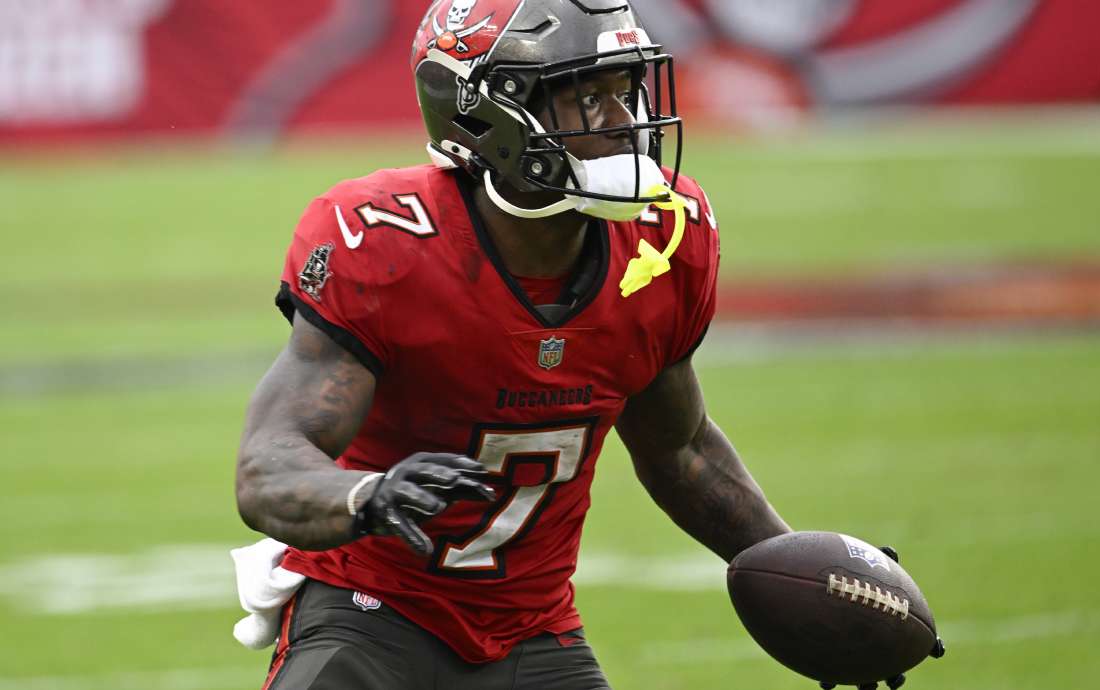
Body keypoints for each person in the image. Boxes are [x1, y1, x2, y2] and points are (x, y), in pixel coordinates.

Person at [233, 1, 790, 688]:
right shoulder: (384, 243)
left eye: (626, 90)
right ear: (485, 115)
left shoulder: (661, 240)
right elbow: (269, 465)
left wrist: (804, 570)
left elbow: (680, 450)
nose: (624, 122)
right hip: (371, 615)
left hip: (534, 632)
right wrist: (369, 496)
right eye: (587, 98)